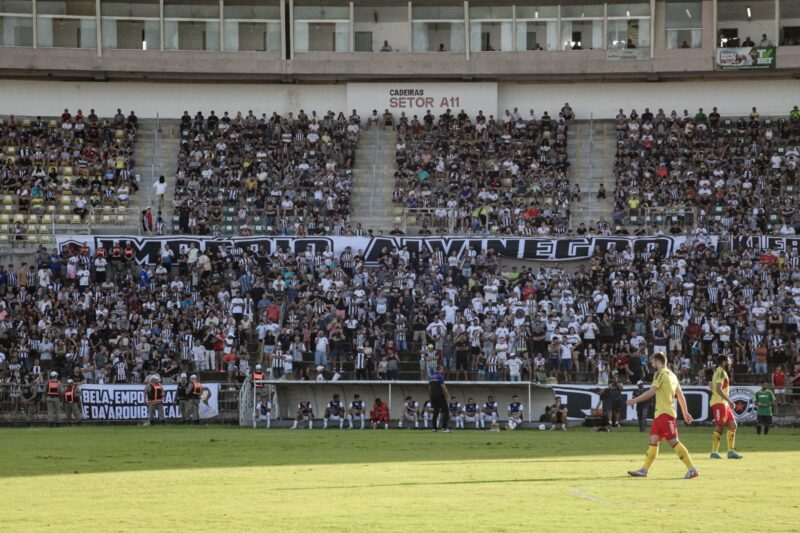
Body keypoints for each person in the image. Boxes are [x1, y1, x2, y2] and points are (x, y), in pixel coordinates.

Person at [626, 352, 699, 479]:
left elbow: (651, 392)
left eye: (653, 362)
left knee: (674, 442)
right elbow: (680, 395)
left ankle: (692, 469)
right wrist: (685, 412)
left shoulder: (659, 373)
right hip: (660, 415)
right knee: (653, 440)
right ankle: (644, 470)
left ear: (658, 362)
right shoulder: (673, 375)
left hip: (665, 414)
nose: (652, 364)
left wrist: (635, 400)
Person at [709, 355, 743, 459]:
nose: (730, 363)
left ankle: (731, 452)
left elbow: (714, 387)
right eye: (729, 361)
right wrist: (729, 400)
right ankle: (714, 452)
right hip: (719, 403)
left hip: (724, 403)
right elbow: (719, 389)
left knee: (733, 425)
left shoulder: (719, 372)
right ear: (724, 362)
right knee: (720, 426)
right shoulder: (721, 372)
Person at [428, 364, 450, 432]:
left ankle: (434, 428)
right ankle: (444, 428)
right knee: (446, 412)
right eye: (442, 369)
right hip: (440, 396)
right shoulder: (440, 376)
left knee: (436, 412)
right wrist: (448, 397)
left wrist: (430, 397)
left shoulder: (431, 377)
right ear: (439, 369)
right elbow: (443, 387)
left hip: (433, 396)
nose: (443, 370)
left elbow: (430, 388)